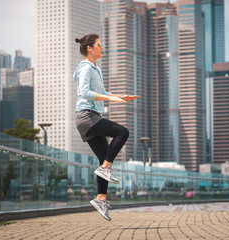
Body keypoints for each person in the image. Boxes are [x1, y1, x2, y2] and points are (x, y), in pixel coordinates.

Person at [74, 34, 138, 221]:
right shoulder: (86, 68)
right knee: (122, 132)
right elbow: (85, 93)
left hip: (89, 117)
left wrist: (120, 97)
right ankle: (105, 169)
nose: (102, 47)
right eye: (99, 45)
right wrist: (110, 98)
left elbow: (101, 93)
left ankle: (101, 199)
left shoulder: (95, 68)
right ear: (89, 48)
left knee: (104, 159)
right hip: (87, 116)